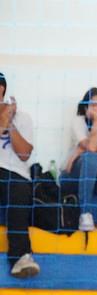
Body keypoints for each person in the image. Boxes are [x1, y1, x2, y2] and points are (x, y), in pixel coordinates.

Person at [62, 87, 97, 232]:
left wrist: (82, 149)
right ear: (86, 107)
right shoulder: (78, 121)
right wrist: (96, 122)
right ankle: (85, 214)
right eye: (94, 104)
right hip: (73, 176)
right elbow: (92, 149)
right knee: (90, 157)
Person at [0, 72, 39, 277]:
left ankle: (21, 258)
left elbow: (24, 154)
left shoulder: (22, 117)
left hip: (15, 176)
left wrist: (9, 123)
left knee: (17, 188)